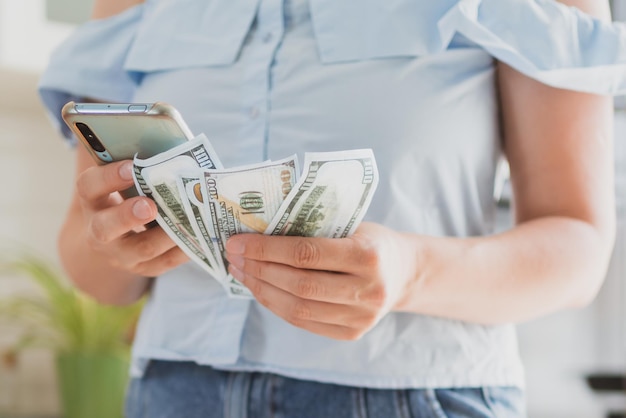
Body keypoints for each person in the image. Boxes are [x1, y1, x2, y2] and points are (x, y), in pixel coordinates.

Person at [38, 0, 626, 416]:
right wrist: (113, 242)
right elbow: (87, 262)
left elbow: (579, 247)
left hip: (415, 399)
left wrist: (412, 271)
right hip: (173, 393)